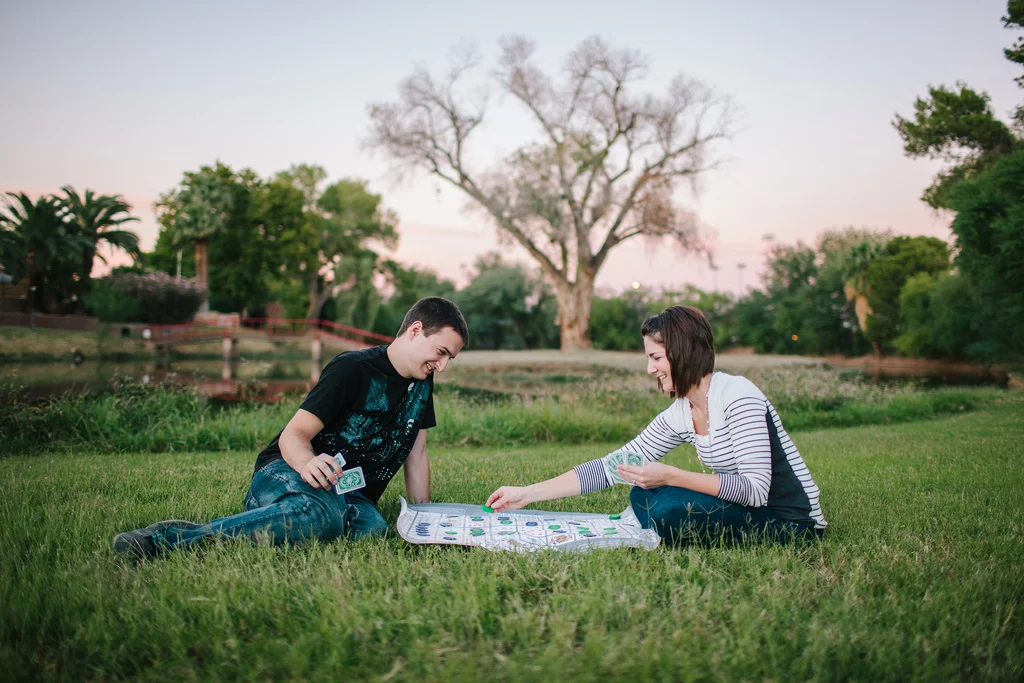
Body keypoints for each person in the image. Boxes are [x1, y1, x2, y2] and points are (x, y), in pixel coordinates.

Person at [113, 297, 469, 559]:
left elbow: (416, 450)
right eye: (440, 352)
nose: (442, 365)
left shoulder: (422, 383)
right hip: (288, 471)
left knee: (372, 529)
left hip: (349, 494)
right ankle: (163, 541)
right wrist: (307, 464)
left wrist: (425, 518)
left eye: (448, 358)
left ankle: (298, 516)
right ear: (415, 330)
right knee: (323, 515)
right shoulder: (352, 369)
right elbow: (293, 436)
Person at [486, 305, 826, 546]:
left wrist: (672, 476)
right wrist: (527, 494)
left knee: (668, 509)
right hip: (748, 509)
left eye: (655, 358)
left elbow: (754, 491)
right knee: (645, 493)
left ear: (681, 353)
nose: (651, 369)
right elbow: (613, 467)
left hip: (790, 521)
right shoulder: (682, 412)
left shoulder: (738, 396)